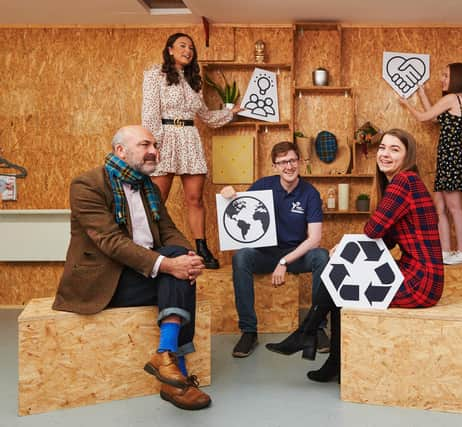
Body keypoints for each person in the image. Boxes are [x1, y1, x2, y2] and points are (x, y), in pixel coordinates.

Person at [266, 129, 444, 383]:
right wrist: (347, 249)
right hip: (418, 274)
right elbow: (388, 239)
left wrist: (345, 248)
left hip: (420, 281)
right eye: (382, 147)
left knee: (342, 282)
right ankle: (324, 352)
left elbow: (373, 230)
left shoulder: (404, 183)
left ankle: (310, 337)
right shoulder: (405, 183)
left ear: (408, 156)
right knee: (340, 277)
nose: (385, 153)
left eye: (395, 149)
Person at [53, 125, 211, 411]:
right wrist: (167, 264)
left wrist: (187, 256)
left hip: (142, 271)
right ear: (120, 151)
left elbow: (168, 230)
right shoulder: (86, 185)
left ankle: (165, 358)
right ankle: (177, 378)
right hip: (106, 280)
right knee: (173, 270)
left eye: (154, 145)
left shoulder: (147, 186)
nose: (153, 151)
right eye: (145, 145)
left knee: (179, 265)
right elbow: (111, 242)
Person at [220, 141, 330, 358]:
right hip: (265, 254)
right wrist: (228, 194)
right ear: (275, 166)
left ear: (299, 161)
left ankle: (316, 328)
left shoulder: (310, 194)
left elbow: (314, 239)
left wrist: (284, 262)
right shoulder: (262, 186)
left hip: (295, 255)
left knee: (322, 256)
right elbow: (239, 206)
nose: (288, 166)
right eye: (282, 162)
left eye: (291, 160)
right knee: (242, 257)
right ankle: (249, 331)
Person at [142, 32, 241, 270]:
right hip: (165, 137)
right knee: (157, 200)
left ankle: (202, 247)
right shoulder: (156, 74)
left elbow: (206, 116)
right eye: (182, 46)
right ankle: (149, 247)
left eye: (191, 48)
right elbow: (149, 112)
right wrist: (152, 146)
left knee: (195, 199)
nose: (188, 51)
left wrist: (232, 111)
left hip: (189, 138)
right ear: (170, 50)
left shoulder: (193, 80)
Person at [399, 62, 462, 265]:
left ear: (457, 78)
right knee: (439, 206)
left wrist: (406, 104)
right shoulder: (460, 100)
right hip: (448, 159)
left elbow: (424, 117)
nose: (442, 79)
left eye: (446, 76)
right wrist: (422, 92)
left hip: (450, 159)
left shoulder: (452, 98)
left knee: (455, 208)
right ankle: (446, 251)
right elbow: (433, 119)